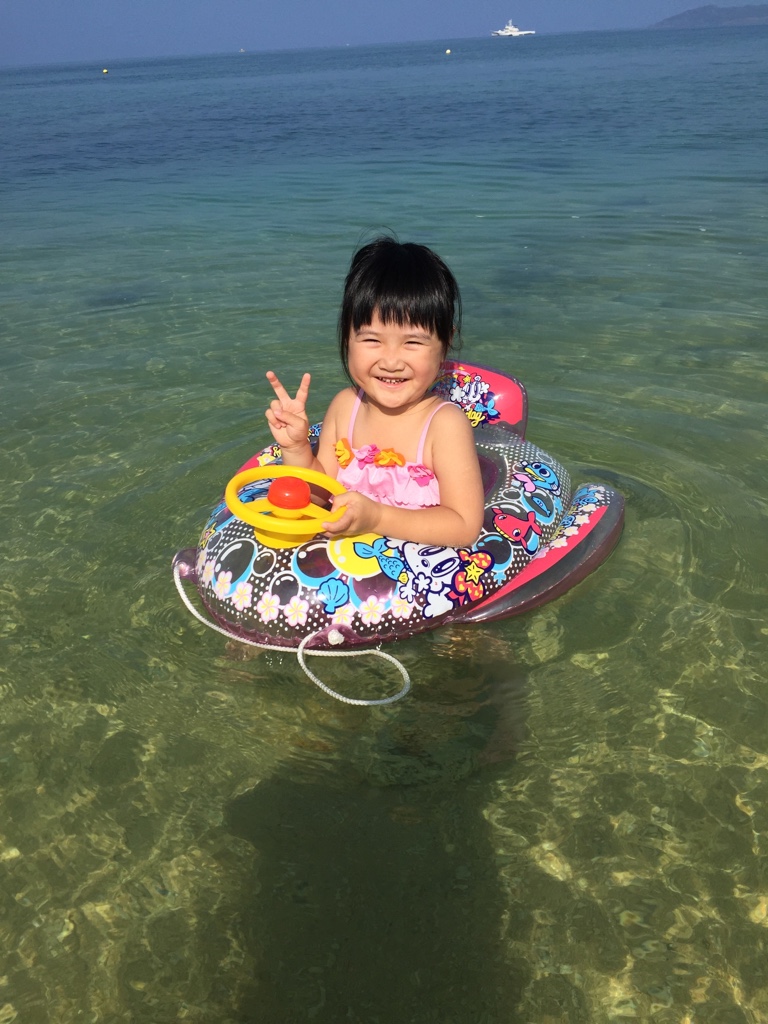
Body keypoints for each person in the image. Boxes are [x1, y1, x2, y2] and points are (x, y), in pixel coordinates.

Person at [264, 237, 484, 548]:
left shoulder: (445, 425)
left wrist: (377, 518)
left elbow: (464, 527)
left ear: (445, 343)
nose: (391, 362)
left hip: (416, 570)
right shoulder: (345, 407)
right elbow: (320, 494)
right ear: (347, 336)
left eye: (413, 342)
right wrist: (296, 448)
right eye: (371, 340)